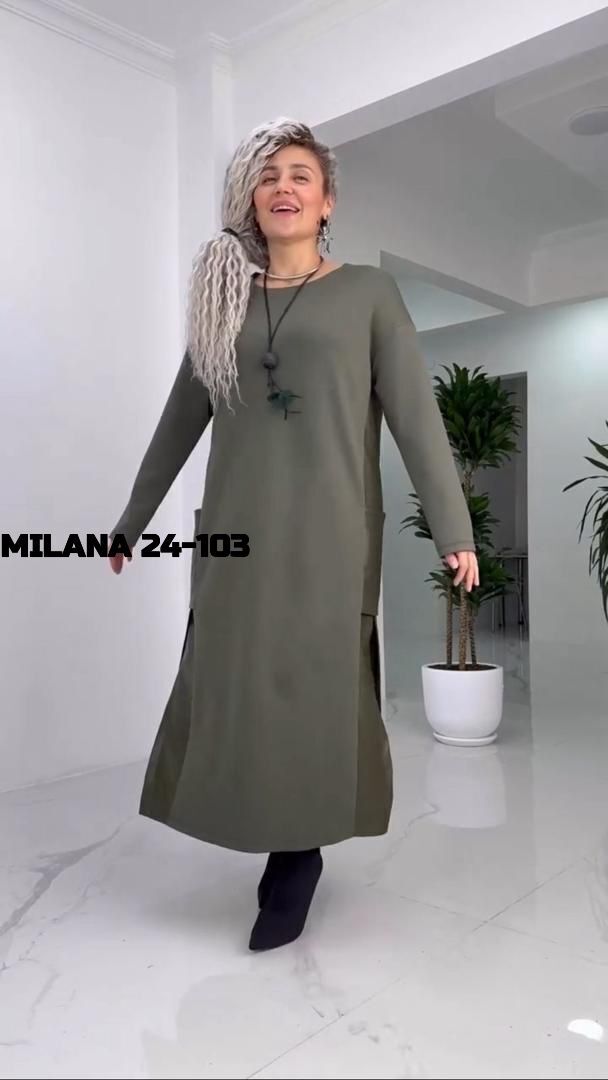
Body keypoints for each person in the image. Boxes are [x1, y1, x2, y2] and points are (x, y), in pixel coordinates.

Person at [108, 117, 479, 952]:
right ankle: (264, 825)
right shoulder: (224, 304)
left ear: (327, 202)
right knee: (237, 687)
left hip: (329, 533)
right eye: (269, 176)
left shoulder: (370, 294)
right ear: (251, 199)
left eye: (301, 176)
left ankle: (298, 851)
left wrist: (453, 527)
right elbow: (179, 421)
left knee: (314, 690)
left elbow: (415, 417)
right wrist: (131, 522)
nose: (283, 187)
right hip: (236, 536)